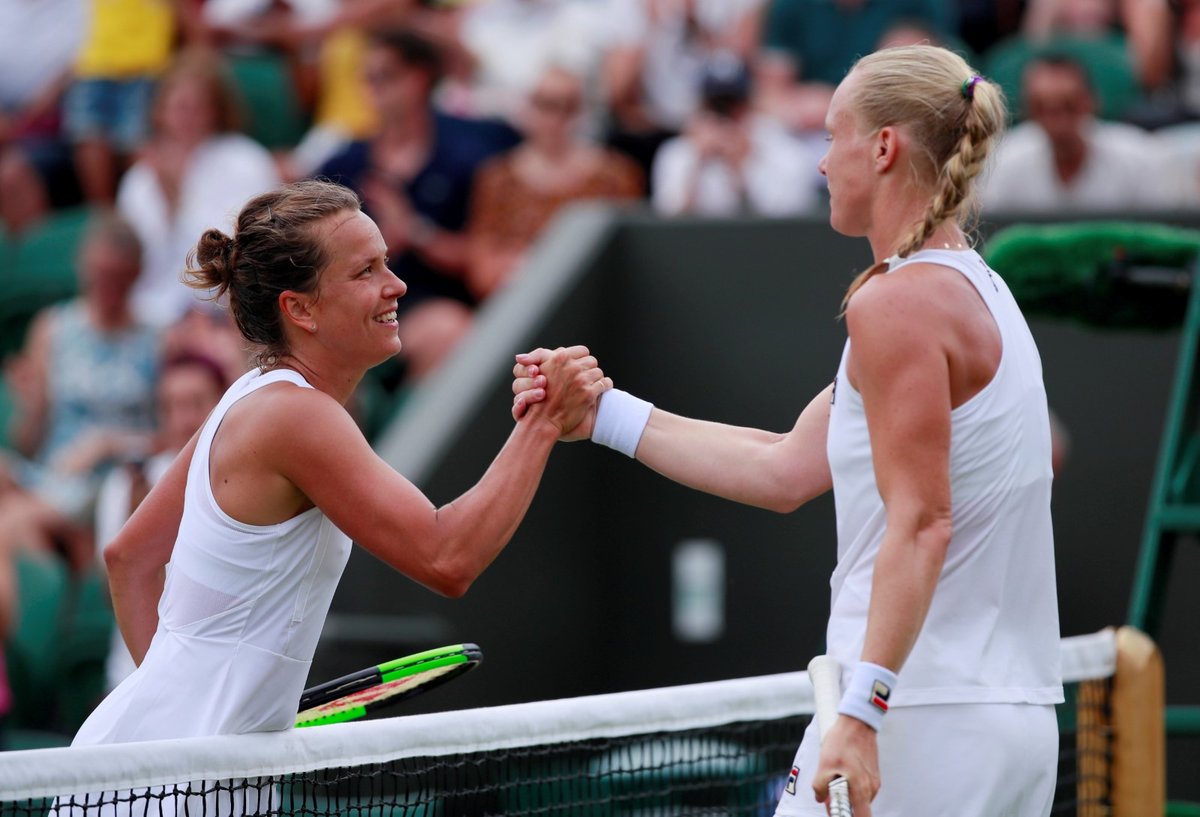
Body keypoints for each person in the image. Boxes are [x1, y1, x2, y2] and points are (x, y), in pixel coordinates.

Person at [513, 44, 1063, 816]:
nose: (819, 162)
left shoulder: (895, 303)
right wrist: (603, 415)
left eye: (833, 136)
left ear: (881, 148)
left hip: (916, 719)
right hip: (1004, 723)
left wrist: (863, 713)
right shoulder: (978, 285)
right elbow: (785, 468)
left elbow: (922, 521)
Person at [69, 179, 608, 747]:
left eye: (387, 264)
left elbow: (128, 557)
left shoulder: (250, 394)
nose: (396, 286)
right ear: (300, 309)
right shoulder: (295, 416)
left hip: (153, 762)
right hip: (177, 786)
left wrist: (182, 707)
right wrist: (543, 423)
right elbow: (449, 556)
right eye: (365, 272)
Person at [116, 47, 282, 328]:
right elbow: (139, 269)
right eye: (179, 107)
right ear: (160, 111)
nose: (187, 118)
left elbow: (240, 255)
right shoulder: (140, 177)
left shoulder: (246, 160)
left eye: (198, 107)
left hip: (224, 315)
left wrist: (177, 202)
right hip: (151, 318)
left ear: (216, 110)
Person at [466, 64, 644, 301]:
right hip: (518, 300)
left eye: (568, 106)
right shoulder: (497, 178)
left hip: (596, 300)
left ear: (582, 110)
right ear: (527, 107)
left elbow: (632, 254)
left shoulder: (616, 175)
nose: (555, 118)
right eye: (545, 104)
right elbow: (481, 268)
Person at [978, 54, 1175, 212]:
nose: (1056, 120)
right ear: (1029, 111)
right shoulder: (1003, 161)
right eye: (1041, 107)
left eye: (1068, 105)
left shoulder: (1139, 157)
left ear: (1091, 102)